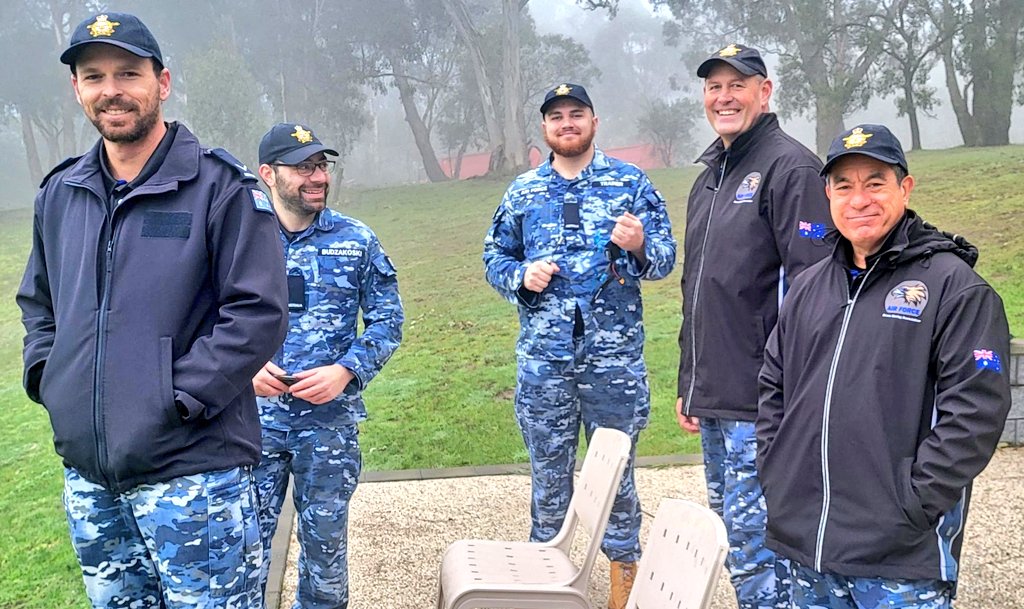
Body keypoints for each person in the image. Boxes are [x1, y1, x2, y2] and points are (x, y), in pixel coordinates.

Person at [16, 12, 289, 608]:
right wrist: (49, 379)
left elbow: (258, 312)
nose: (110, 90)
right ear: (78, 89)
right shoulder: (60, 194)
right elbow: (39, 303)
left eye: (127, 74)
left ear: (161, 83)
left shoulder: (220, 188)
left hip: (195, 477)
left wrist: (176, 397)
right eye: (94, 76)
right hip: (92, 482)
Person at [756, 123, 1012, 608]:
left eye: (875, 182)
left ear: (905, 187)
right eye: (845, 186)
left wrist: (912, 503)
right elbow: (774, 385)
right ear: (827, 194)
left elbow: (976, 412)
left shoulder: (953, 288)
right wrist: (777, 471)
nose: (859, 200)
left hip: (899, 558)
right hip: (806, 547)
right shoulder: (809, 286)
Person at [483, 83, 676, 609]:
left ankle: (622, 587)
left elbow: (665, 257)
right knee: (549, 474)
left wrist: (639, 246)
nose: (567, 124)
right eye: (556, 117)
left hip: (612, 361)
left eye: (577, 114)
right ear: (544, 129)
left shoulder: (629, 183)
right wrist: (522, 275)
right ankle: (548, 586)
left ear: (593, 121)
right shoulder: (523, 191)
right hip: (545, 362)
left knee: (617, 474)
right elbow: (493, 258)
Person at [675, 43, 832, 609]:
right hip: (716, 396)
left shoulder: (792, 169)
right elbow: (701, 289)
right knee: (733, 537)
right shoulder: (710, 178)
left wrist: (789, 390)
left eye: (737, 85)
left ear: (765, 92)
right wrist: (688, 382)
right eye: (714, 87)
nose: (724, 97)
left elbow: (816, 292)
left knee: (759, 547)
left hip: (762, 404)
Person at [252, 123, 404, 609]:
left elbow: (388, 320)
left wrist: (347, 370)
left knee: (325, 552)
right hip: (251, 425)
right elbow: (200, 318)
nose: (317, 177)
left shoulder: (355, 240)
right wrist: (242, 370)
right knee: (245, 550)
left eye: (322, 165)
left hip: (329, 427)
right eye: (303, 167)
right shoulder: (238, 241)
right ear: (268, 175)